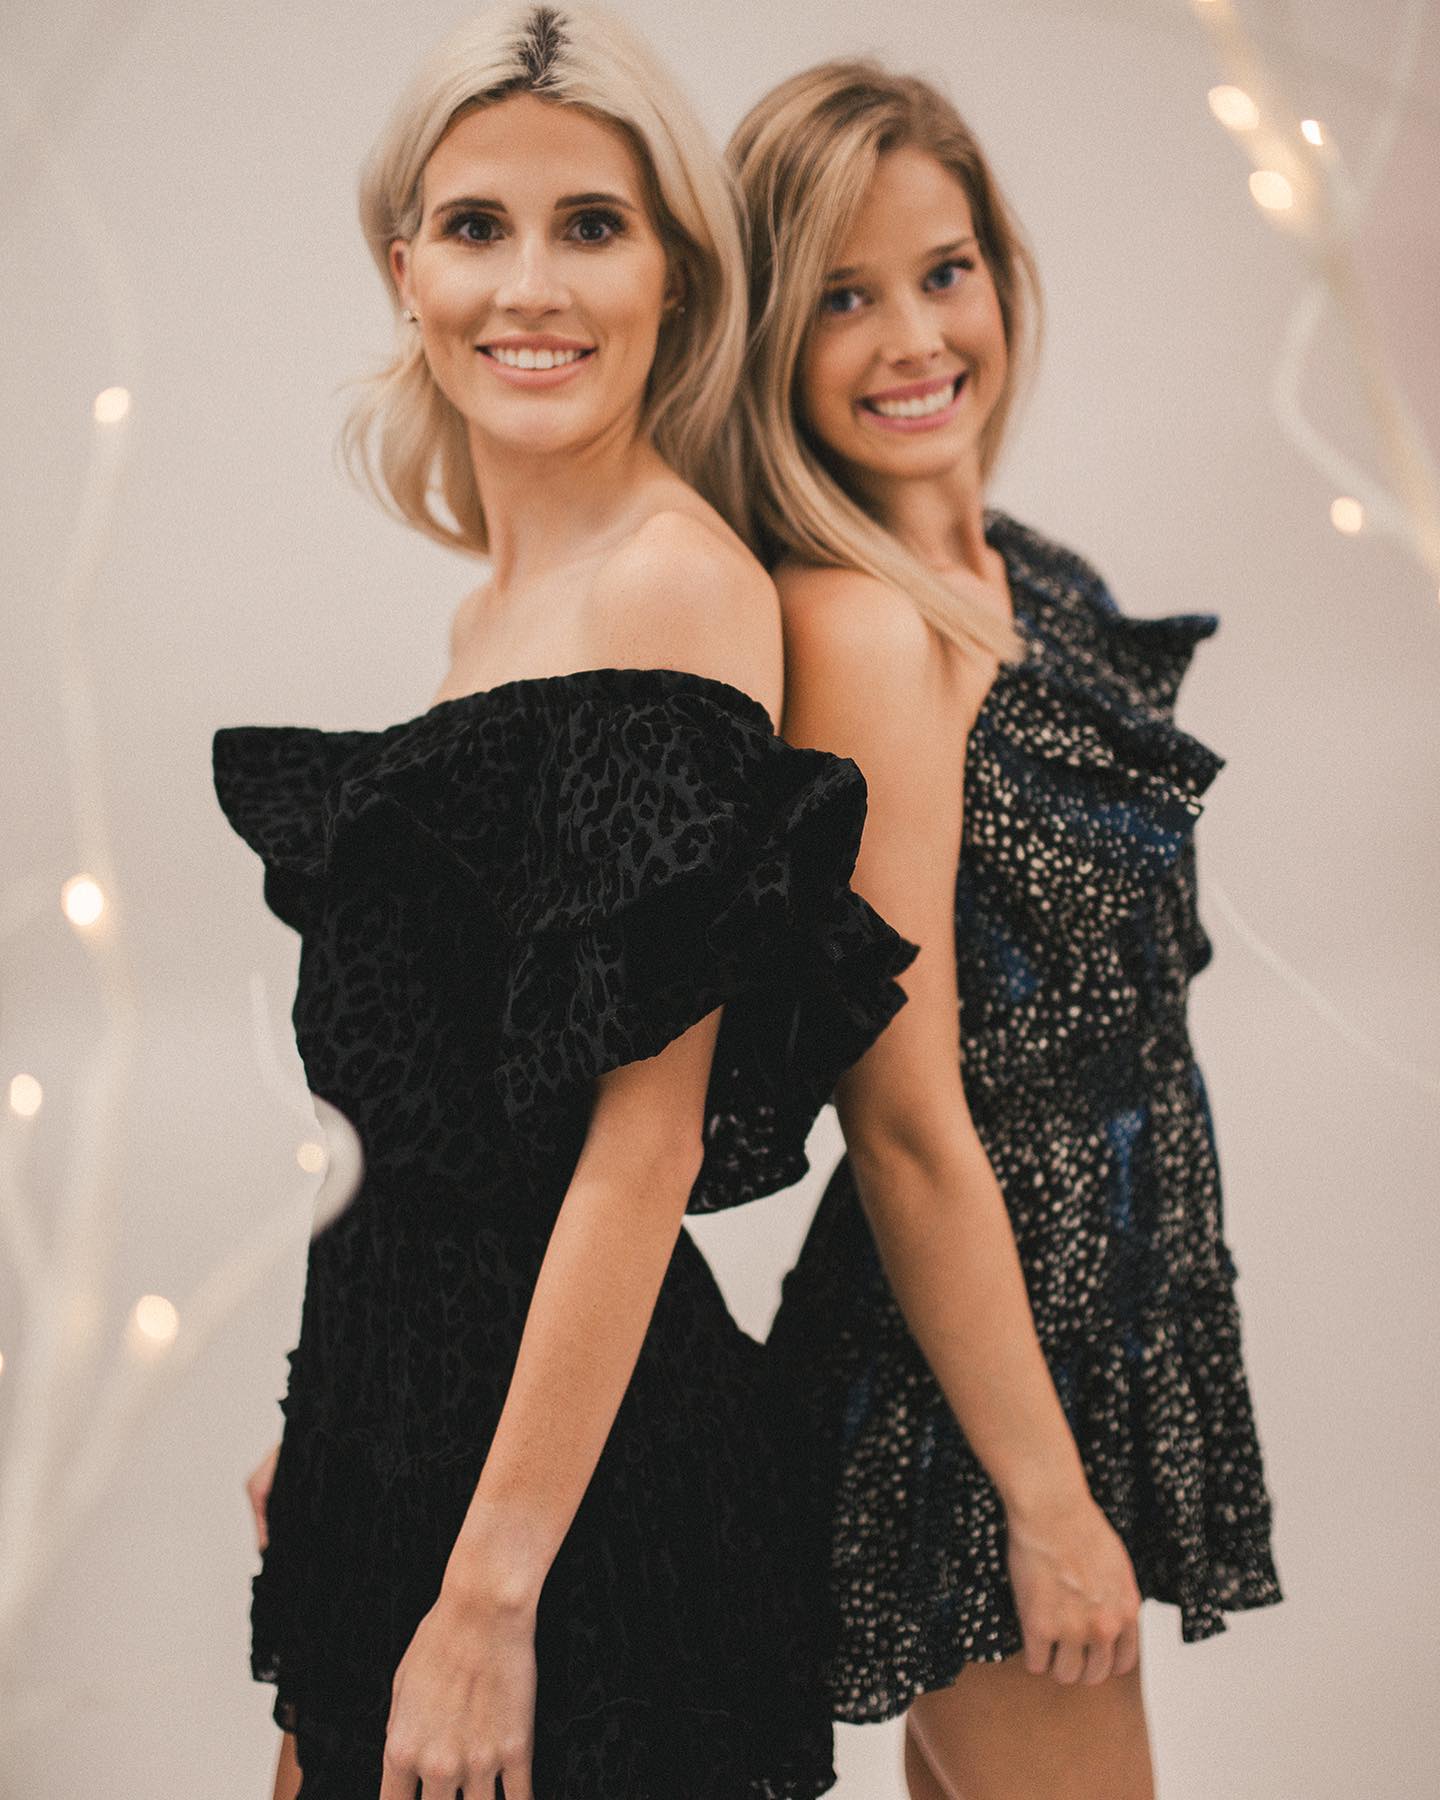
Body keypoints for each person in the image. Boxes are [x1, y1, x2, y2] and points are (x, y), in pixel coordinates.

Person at [212, 12, 918, 1797]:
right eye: (478, 226)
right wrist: (336, 1412)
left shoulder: (674, 590)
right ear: (407, 271)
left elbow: (637, 1149)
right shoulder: (491, 615)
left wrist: (487, 1594)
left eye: (591, 225)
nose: (530, 285)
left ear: (675, 274)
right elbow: (437, 1137)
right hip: (406, 1444)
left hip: (570, 1529)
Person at [725, 61, 1282, 1800]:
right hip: (969, 1396)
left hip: (1100, 1332)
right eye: (842, 297)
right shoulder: (863, 630)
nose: (914, 338)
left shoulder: (1031, 575)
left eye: (943, 271)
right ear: (766, 339)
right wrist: (1043, 1498)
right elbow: (901, 1117)